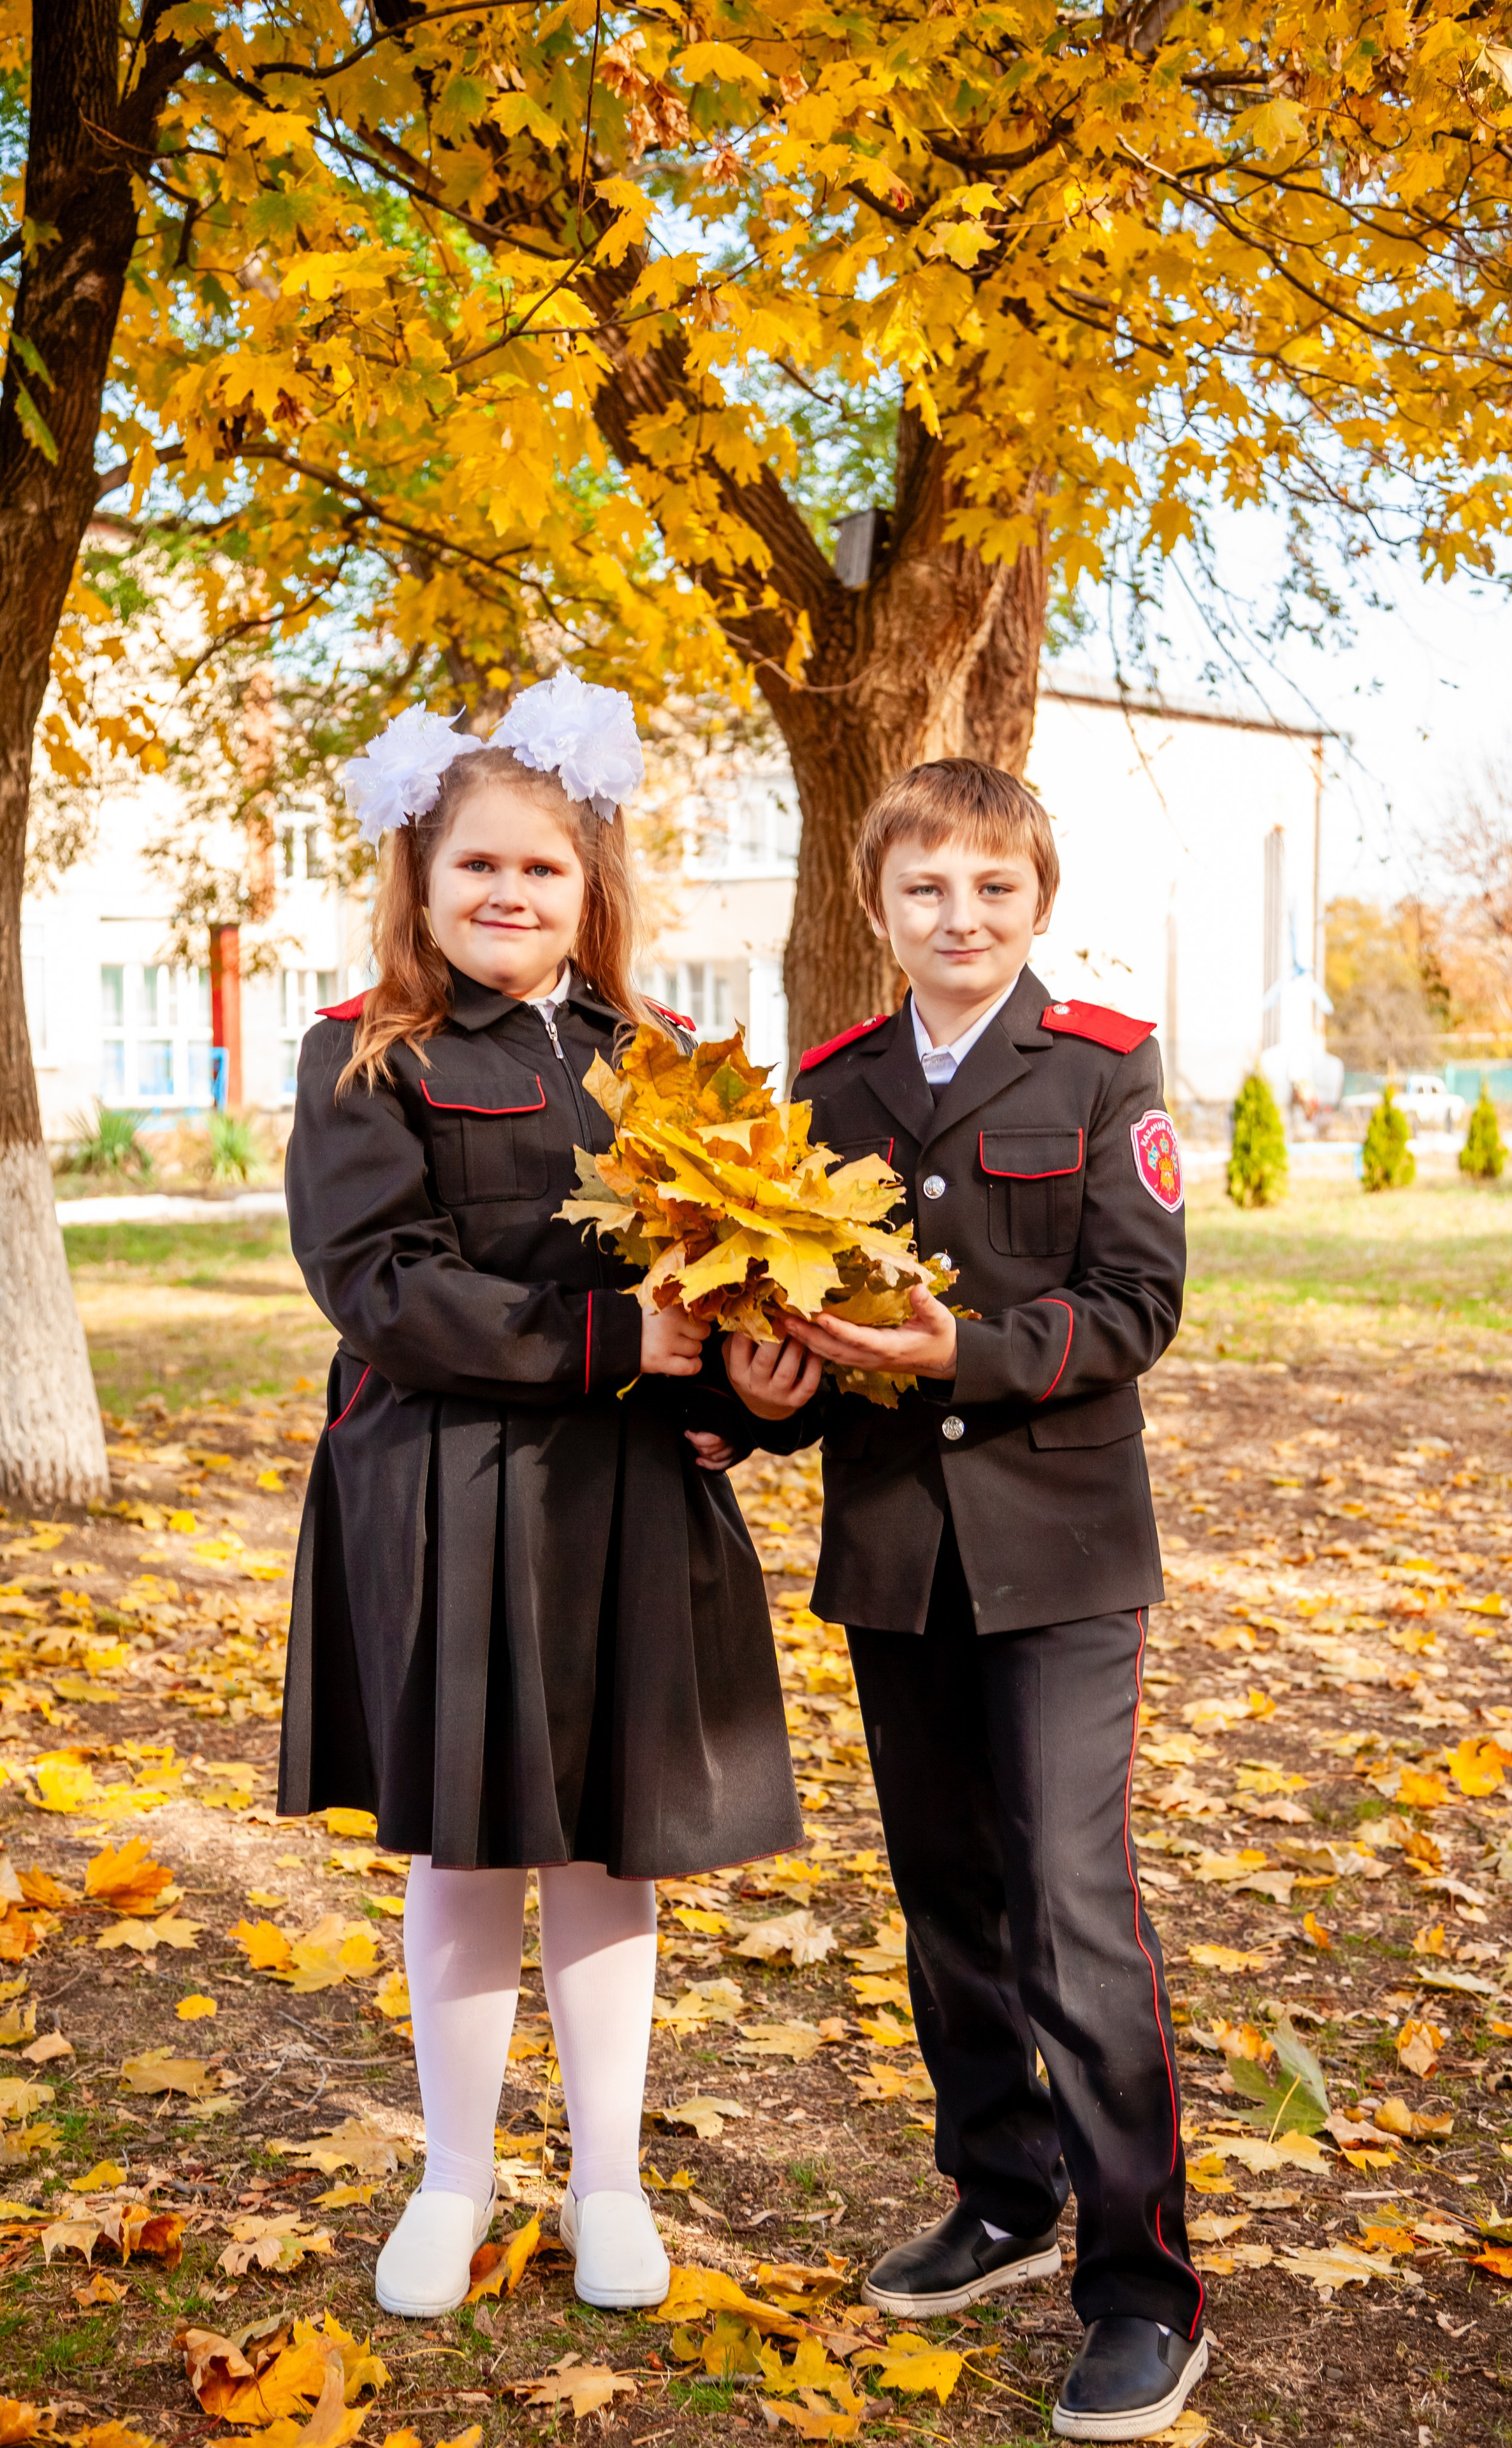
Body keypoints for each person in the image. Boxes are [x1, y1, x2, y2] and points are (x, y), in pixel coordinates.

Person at [279, 678, 808, 2322]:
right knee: (468, 1854)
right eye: (477, 870)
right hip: (444, 1494)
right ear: (420, 886)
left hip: (626, 1498)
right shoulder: (368, 1054)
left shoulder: (660, 1063)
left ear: (596, 889)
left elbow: (711, 1286)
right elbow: (378, 1283)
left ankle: (608, 2183)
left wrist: (750, 1395)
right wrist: (607, 1338)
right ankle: (450, 2178)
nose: (510, 896)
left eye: (545, 872)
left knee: (604, 1855)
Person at [730, 758, 1205, 2444]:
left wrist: (973, 1353)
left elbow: (1134, 1306)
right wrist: (763, 1388)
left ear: (1038, 906)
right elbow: (795, 1296)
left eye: (995, 891)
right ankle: (1003, 2196)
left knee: (1072, 1902)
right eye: (929, 889)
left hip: (1063, 1556)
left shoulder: (1098, 1066)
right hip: (896, 1550)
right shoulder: (834, 1084)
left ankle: (1145, 2284)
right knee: (944, 1894)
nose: (962, 915)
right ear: (879, 908)